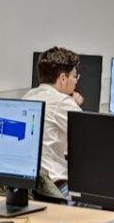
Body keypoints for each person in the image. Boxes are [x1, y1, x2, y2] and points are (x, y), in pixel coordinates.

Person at [22, 47, 86, 200]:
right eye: (74, 77)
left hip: (29, 187)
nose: (75, 82)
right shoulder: (62, 102)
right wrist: (74, 104)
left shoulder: (27, 97)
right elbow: (91, 142)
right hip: (53, 188)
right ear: (63, 78)